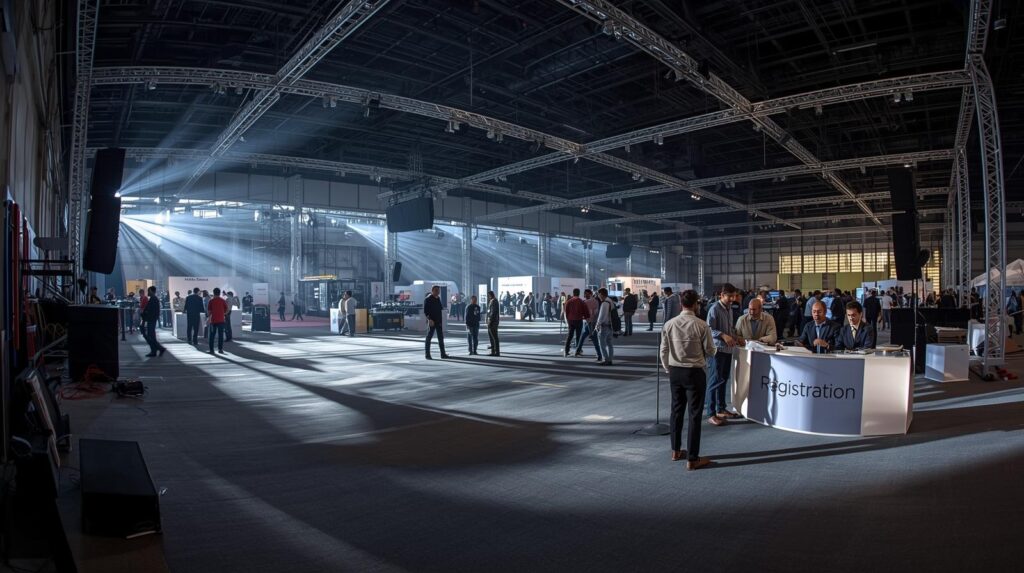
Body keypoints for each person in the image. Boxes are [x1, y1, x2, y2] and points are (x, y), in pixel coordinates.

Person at [661, 290, 715, 471]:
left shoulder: (669, 324)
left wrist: (670, 369)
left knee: (676, 411)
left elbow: (663, 351)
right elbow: (711, 350)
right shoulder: (701, 325)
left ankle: (675, 451)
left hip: (675, 372)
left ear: (680, 304)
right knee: (694, 415)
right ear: (696, 304)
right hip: (694, 373)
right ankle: (692, 458)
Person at [705, 283, 743, 426]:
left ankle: (721, 409)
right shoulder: (714, 309)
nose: (732, 299)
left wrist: (735, 337)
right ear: (722, 295)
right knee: (714, 381)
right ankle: (711, 413)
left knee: (723, 379)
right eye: (729, 296)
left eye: (734, 296)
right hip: (717, 351)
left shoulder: (729, 309)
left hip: (727, 350)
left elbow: (730, 328)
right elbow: (709, 329)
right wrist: (723, 335)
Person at [140, 286, 166, 357]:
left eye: (148, 291)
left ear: (151, 291)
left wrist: (145, 315)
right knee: (151, 336)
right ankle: (155, 350)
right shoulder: (153, 299)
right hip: (150, 320)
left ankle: (158, 349)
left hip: (151, 320)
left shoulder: (154, 299)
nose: (148, 292)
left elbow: (153, 311)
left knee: (150, 336)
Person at [577, 289, 603, 361]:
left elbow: (593, 312)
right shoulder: (596, 301)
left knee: (594, 339)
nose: (585, 295)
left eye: (586, 294)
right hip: (591, 322)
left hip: (591, 322)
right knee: (583, 336)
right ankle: (578, 350)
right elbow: (596, 312)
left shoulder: (587, 302)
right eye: (584, 294)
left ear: (590, 294)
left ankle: (599, 355)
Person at [562, 288, 589, 357]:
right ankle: (578, 351)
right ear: (579, 293)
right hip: (579, 320)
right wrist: (587, 318)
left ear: (573, 293)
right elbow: (585, 311)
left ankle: (566, 351)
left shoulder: (569, 301)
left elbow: (566, 311)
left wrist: (567, 320)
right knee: (578, 336)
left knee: (569, 336)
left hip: (571, 321)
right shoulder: (581, 301)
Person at [424, 285, 448, 360]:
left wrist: (441, 321)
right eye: (437, 290)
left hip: (438, 321)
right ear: (433, 290)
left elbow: (440, 309)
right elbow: (426, 311)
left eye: (439, 290)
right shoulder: (428, 299)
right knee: (429, 337)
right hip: (432, 321)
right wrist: (429, 319)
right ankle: (427, 354)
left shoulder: (438, 299)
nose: (438, 292)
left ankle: (443, 354)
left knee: (441, 338)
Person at [595, 288, 615, 365]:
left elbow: (602, 316)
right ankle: (610, 359)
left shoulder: (604, 303)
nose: (598, 296)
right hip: (611, 325)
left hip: (604, 326)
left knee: (602, 344)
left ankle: (605, 359)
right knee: (610, 344)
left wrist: (597, 324)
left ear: (601, 294)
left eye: (598, 294)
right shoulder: (610, 301)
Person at [207, 288, 228, 354]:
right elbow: (227, 309)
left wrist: (208, 318)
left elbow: (209, 312)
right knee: (221, 335)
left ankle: (211, 350)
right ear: (219, 293)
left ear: (213, 293)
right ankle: (220, 349)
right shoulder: (222, 300)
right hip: (221, 320)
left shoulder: (211, 301)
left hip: (213, 321)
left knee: (212, 336)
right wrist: (223, 314)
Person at [486, 290, 500, 356]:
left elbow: (493, 312)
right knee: (491, 337)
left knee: (494, 337)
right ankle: (493, 351)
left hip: (493, 322)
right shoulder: (492, 301)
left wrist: (490, 321)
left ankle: (496, 352)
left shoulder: (494, 301)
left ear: (490, 295)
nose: (488, 297)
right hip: (491, 321)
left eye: (488, 296)